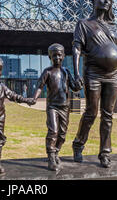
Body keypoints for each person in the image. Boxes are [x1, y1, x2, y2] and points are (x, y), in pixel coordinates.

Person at [72, 0, 117, 168]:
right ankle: (78, 144)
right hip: (94, 74)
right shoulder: (84, 24)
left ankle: (105, 153)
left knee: (108, 115)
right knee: (91, 112)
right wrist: (76, 73)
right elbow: (76, 49)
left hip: (114, 76)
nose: (106, 1)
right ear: (94, 1)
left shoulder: (114, 27)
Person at [33, 43, 78, 171]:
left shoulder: (66, 71)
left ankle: (56, 152)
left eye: (59, 55)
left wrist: (80, 83)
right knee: (53, 131)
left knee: (62, 134)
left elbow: (74, 87)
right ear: (50, 57)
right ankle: (51, 156)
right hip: (52, 106)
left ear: (63, 56)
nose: (57, 57)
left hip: (65, 107)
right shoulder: (47, 71)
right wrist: (35, 98)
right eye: (54, 55)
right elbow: (39, 86)